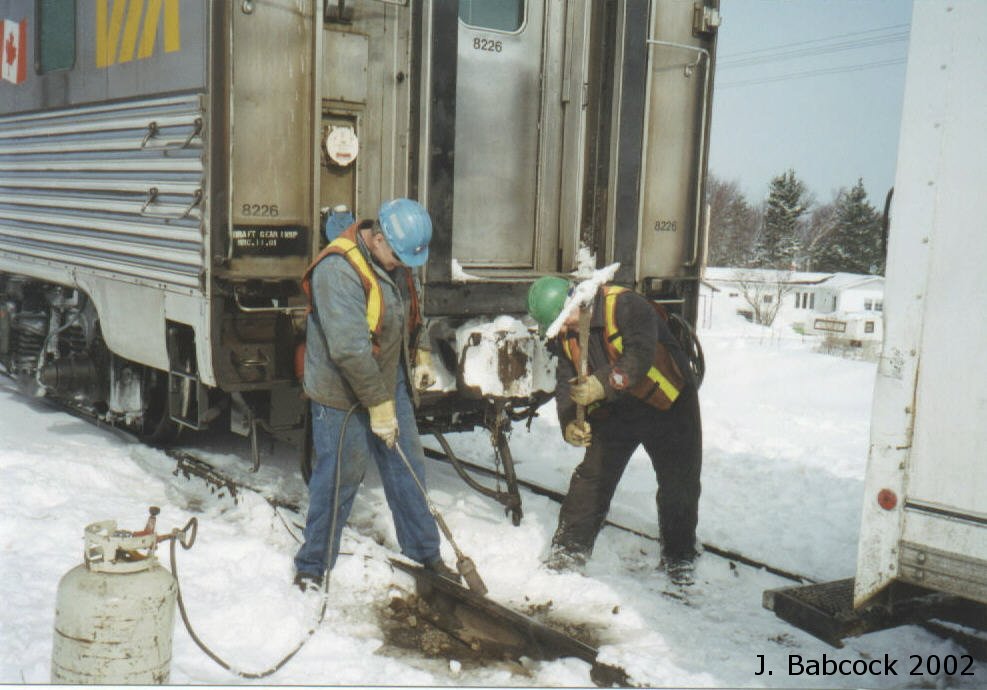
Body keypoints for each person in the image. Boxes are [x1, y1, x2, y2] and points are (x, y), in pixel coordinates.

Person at [293, 198, 453, 592]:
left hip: (385, 379)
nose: (400, 264)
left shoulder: (390, 260)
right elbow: (348, 350)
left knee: (408, 467)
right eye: (397, 256)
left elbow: (403, 310)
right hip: (340, 389)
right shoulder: (337, 270)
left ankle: (425, 553)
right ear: (377, 237)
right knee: (340, 475)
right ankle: (313, 565)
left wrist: (420, 352)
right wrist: (378, 404)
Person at [526, 276, 703, 585]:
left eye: (562, 320)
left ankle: (679, 558)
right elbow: (567, 378)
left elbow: (640, 355)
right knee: (592, 478)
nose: (563, 329)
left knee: (679, 483)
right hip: (619, 406)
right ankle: (569, 550)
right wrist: (569, 422)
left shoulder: (625, 305)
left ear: (575, 301)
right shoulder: (567, 330)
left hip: (669, 400)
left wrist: (601, 384)